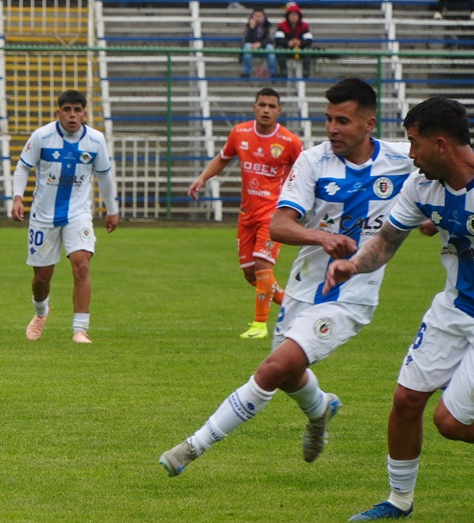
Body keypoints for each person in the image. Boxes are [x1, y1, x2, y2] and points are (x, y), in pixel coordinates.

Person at [159, 78, 415, 478]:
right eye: (328, 119)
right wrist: (321, 237)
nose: (332, 129)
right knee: (289, 374)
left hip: (352, 295)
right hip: (303, 285)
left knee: (273, 368)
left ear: (369, 124)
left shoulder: (403, 159)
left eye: (342, 121)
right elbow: (279, 225)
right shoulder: (314, 161)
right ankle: (320, 409)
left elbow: (454, 171)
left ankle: (192, 447)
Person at [329, 96, 474, 522]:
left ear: (440, 145)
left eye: (414, 143)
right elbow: (386, 240)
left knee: (451, 423)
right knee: (406, 400)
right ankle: (398, 501)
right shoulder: (421, 185)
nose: (410, 154)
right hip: (453, 307)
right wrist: (353, 265)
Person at [187, 88, 301, 339]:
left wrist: (300, 205)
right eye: (262, 105)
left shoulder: (289, 141)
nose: (266, 110)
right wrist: (202, 178)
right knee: (250, 273)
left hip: (273, 213)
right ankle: (294, 307)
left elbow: (304, 172)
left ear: (279, 111)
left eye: (272, 106)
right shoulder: (240, 133)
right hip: (247, 213)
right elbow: (223, 158)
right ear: (254, 107)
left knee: (262, 264)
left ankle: (259, 325)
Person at [12, 89, 119, 344]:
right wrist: (17, 198)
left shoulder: (95, 140)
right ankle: (41, 312)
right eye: (67, 110)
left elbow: (104, 176)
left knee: (82, 265)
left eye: (77, 110)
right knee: (41, 278)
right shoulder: (41, 136)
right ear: (58, 112)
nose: (72, 115)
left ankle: (80, 329)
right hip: (43, 215)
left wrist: (112, 210)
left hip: (78, 213)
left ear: (84, 114)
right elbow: (23, 167)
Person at [274, 4, 313, 77]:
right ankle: (283, 71)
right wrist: (288, 43)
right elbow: (278, 39)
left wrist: (300, 43)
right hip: (286, 49)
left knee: (307, 49)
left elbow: (309, 39)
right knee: (279, 49)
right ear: (288, 16)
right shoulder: (282, 25)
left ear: (299, 16)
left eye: (295, 15)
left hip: (300, 50)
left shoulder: (304, 26)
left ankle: (305, 72)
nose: (293, 17)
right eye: (291, 14)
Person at [240, 8, 279, 79]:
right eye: (256, 16)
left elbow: (270, 39)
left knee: (270, 47)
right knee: (247, 46)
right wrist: (251, 28)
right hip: (252, 47)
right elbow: (246, 40)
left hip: (265, 47)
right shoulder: (247, 26)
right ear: (252, 17)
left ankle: (273, 73)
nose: (258, 18)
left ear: (264, 17)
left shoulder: (269, 26)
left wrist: (260, 44)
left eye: (260, 16)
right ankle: (247, 72)